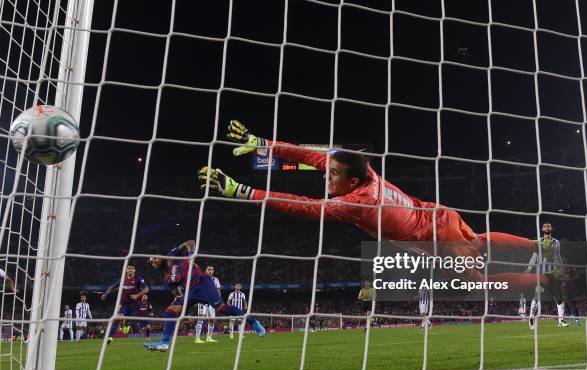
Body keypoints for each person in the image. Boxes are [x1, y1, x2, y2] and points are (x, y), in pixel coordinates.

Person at [197, 120, 562, 296]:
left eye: (333, 174)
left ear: (351, 183)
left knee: (479, 285)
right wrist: (264, 144)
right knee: (481, 240)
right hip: (440, 213)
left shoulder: (357, 204)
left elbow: (302, 207)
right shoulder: (361, 170)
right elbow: (312, 155)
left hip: (439, 238)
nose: (327, 176)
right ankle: (535, 245)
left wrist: (243, 191)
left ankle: (545, 279)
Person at [145, 240, 265, 352]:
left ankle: (254, 322)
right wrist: (182, 310)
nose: (153, 261)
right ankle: (165, 342)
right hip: (190, 292)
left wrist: (191, 254)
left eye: (154, 258)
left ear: (160, 256)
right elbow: (177, 294)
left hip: (202, 283)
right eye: (151, 262)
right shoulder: (167, 279)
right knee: (169, 312)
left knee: (222, 309)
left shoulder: (172, 255)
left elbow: (190, 242)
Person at [525, 223, 569, 329]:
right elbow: (535, 255)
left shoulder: (557, 242)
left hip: (554, 274)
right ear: (542, 229)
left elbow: (558, 257)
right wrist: (529, 268)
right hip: (542, 274)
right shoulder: (538, 242)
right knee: (537, 296)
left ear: (551, 229)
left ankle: (561, 321)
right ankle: (531, 317)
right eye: (545, 226)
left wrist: (562, 270)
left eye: (549, 226)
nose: (547, 228)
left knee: (559, 297)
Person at [101, 264, 149, 345]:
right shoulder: (122, 279)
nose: (130, 270)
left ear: (134, 270)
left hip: (135, 304)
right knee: (117, 318)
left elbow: (146, 289)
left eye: (132, 268)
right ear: (126, 270)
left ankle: (148, 336)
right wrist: (105, 293)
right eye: (129, 268)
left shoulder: (138, 279)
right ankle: (110, 337)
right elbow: (113, 287)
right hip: (124, 304)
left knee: (143, 320)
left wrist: (137, 295)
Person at [194, 266, 221, 344]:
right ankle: (197, 338)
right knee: (201, 317)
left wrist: (219, 301)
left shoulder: (216, 280)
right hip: (203, 301)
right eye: (209, 269)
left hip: (212, 302)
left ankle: (209, 337)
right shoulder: (201, 279)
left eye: (212, 269)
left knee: (212, 320)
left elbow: (218, 290)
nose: (210, 271)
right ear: (206, 271)